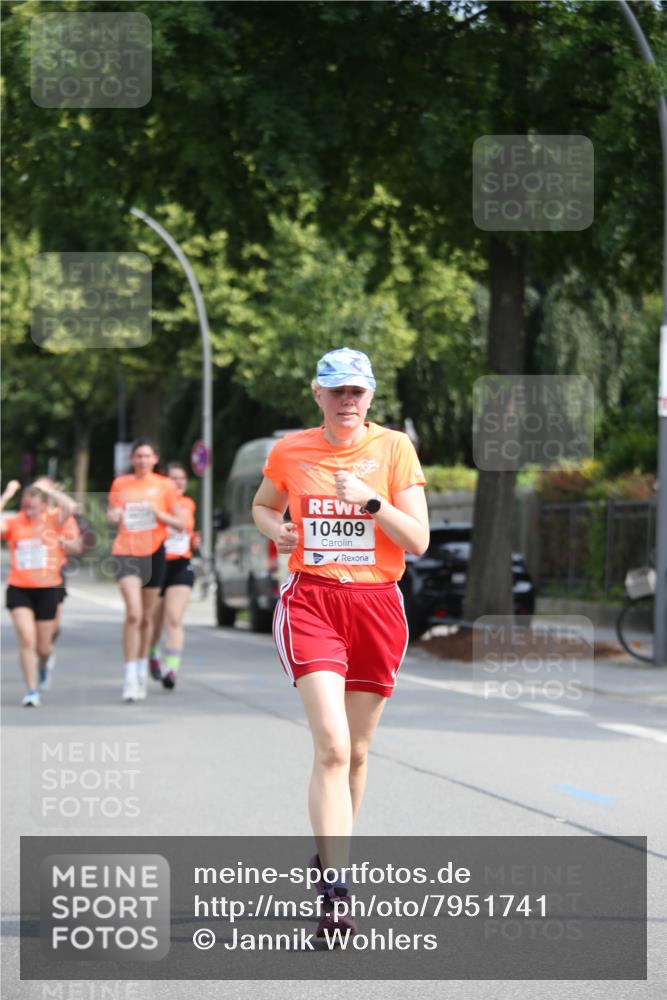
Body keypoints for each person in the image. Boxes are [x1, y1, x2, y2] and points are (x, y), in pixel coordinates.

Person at [252, 347, 429, 937]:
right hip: (313, 601)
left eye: (357, 391)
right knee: (331, 746)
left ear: (370, 395)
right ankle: (336, 887)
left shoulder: (395, 448)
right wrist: (276, 529)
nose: (347, 401)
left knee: (356, 752)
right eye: (337, 391)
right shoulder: (291, 450)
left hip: (377, 606)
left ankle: (332, 854)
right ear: (318, 394)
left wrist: (371, 502)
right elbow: (263, 505)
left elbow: (418, 539)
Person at [106, 439, 184, 703]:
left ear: (155, 459)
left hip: (154, 552)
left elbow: (180, 524)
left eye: (147, 456)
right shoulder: (121, 484)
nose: (142, 460)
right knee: (134, 614)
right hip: (126, 551)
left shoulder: (165, 485)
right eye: (138, 456)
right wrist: (114, 516)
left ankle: (141, 667)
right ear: (131, 459)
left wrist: (158, 514)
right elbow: (112, 513)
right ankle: (129, 676)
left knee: (148, 618)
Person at [1, 478, 81, 707]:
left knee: (43, 647)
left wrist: (49, 491)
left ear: (45, 505)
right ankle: (31, 690)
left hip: (48, 589)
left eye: (34, 506)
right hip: (19, 588)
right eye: (25, 506)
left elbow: (71, 507)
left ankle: (43, 666)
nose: (29, 510)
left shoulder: (54, 520)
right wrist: (7, 494)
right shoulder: (15, 522)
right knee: (27, 638)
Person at [148, 462, 197, 691]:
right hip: (157, 565)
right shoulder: (155, 503)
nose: (178, 483)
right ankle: (151, 652)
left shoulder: (188, 504)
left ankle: (171, 669)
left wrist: (194, 540)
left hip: (181, 565)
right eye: (173, 478)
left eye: (181, 478)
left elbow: (185, 528)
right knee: (155, 622)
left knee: (174, 618)